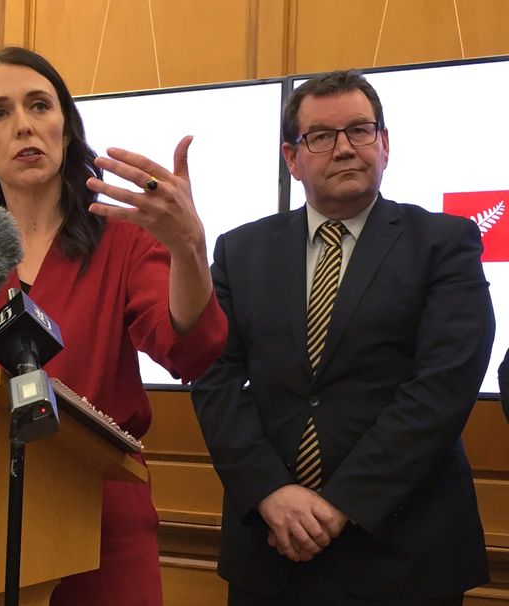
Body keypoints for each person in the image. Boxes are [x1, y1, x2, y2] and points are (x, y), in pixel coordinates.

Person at [0, 47, 227, 605]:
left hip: (99, 523)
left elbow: (186, 347)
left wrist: (188, 248)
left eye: (39, 106)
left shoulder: (123, 238)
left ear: (65, 126)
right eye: (0, 113)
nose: (25, 125)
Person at [191, 69, 495, 606]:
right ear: (293, 158)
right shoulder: (240, 251)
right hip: (270, 547)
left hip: (405, 552)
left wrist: (341, 504)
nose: (345, 148)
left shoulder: (445, 242)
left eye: (360, 130)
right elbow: (214, 377)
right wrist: (269, 491)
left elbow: (444, 386)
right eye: (322, 136)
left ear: (384, 145)